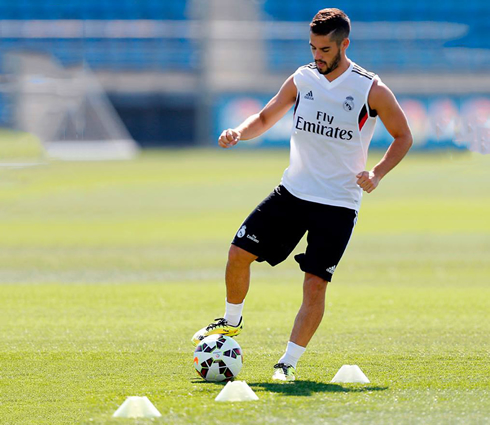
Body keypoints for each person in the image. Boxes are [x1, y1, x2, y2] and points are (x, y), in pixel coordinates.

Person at [191, 8, 412, 381]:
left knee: (314, 283)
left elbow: (403, 135)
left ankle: (287, 364)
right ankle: (230, 322)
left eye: (324, 49)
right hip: (292, 193)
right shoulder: (302, 78)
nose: (317, 56)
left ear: (344, 44)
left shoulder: (370, 89)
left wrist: (377, 173)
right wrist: (237, 132)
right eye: (312, 48)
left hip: (338, 204)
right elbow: (264, 117)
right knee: (237, 253)